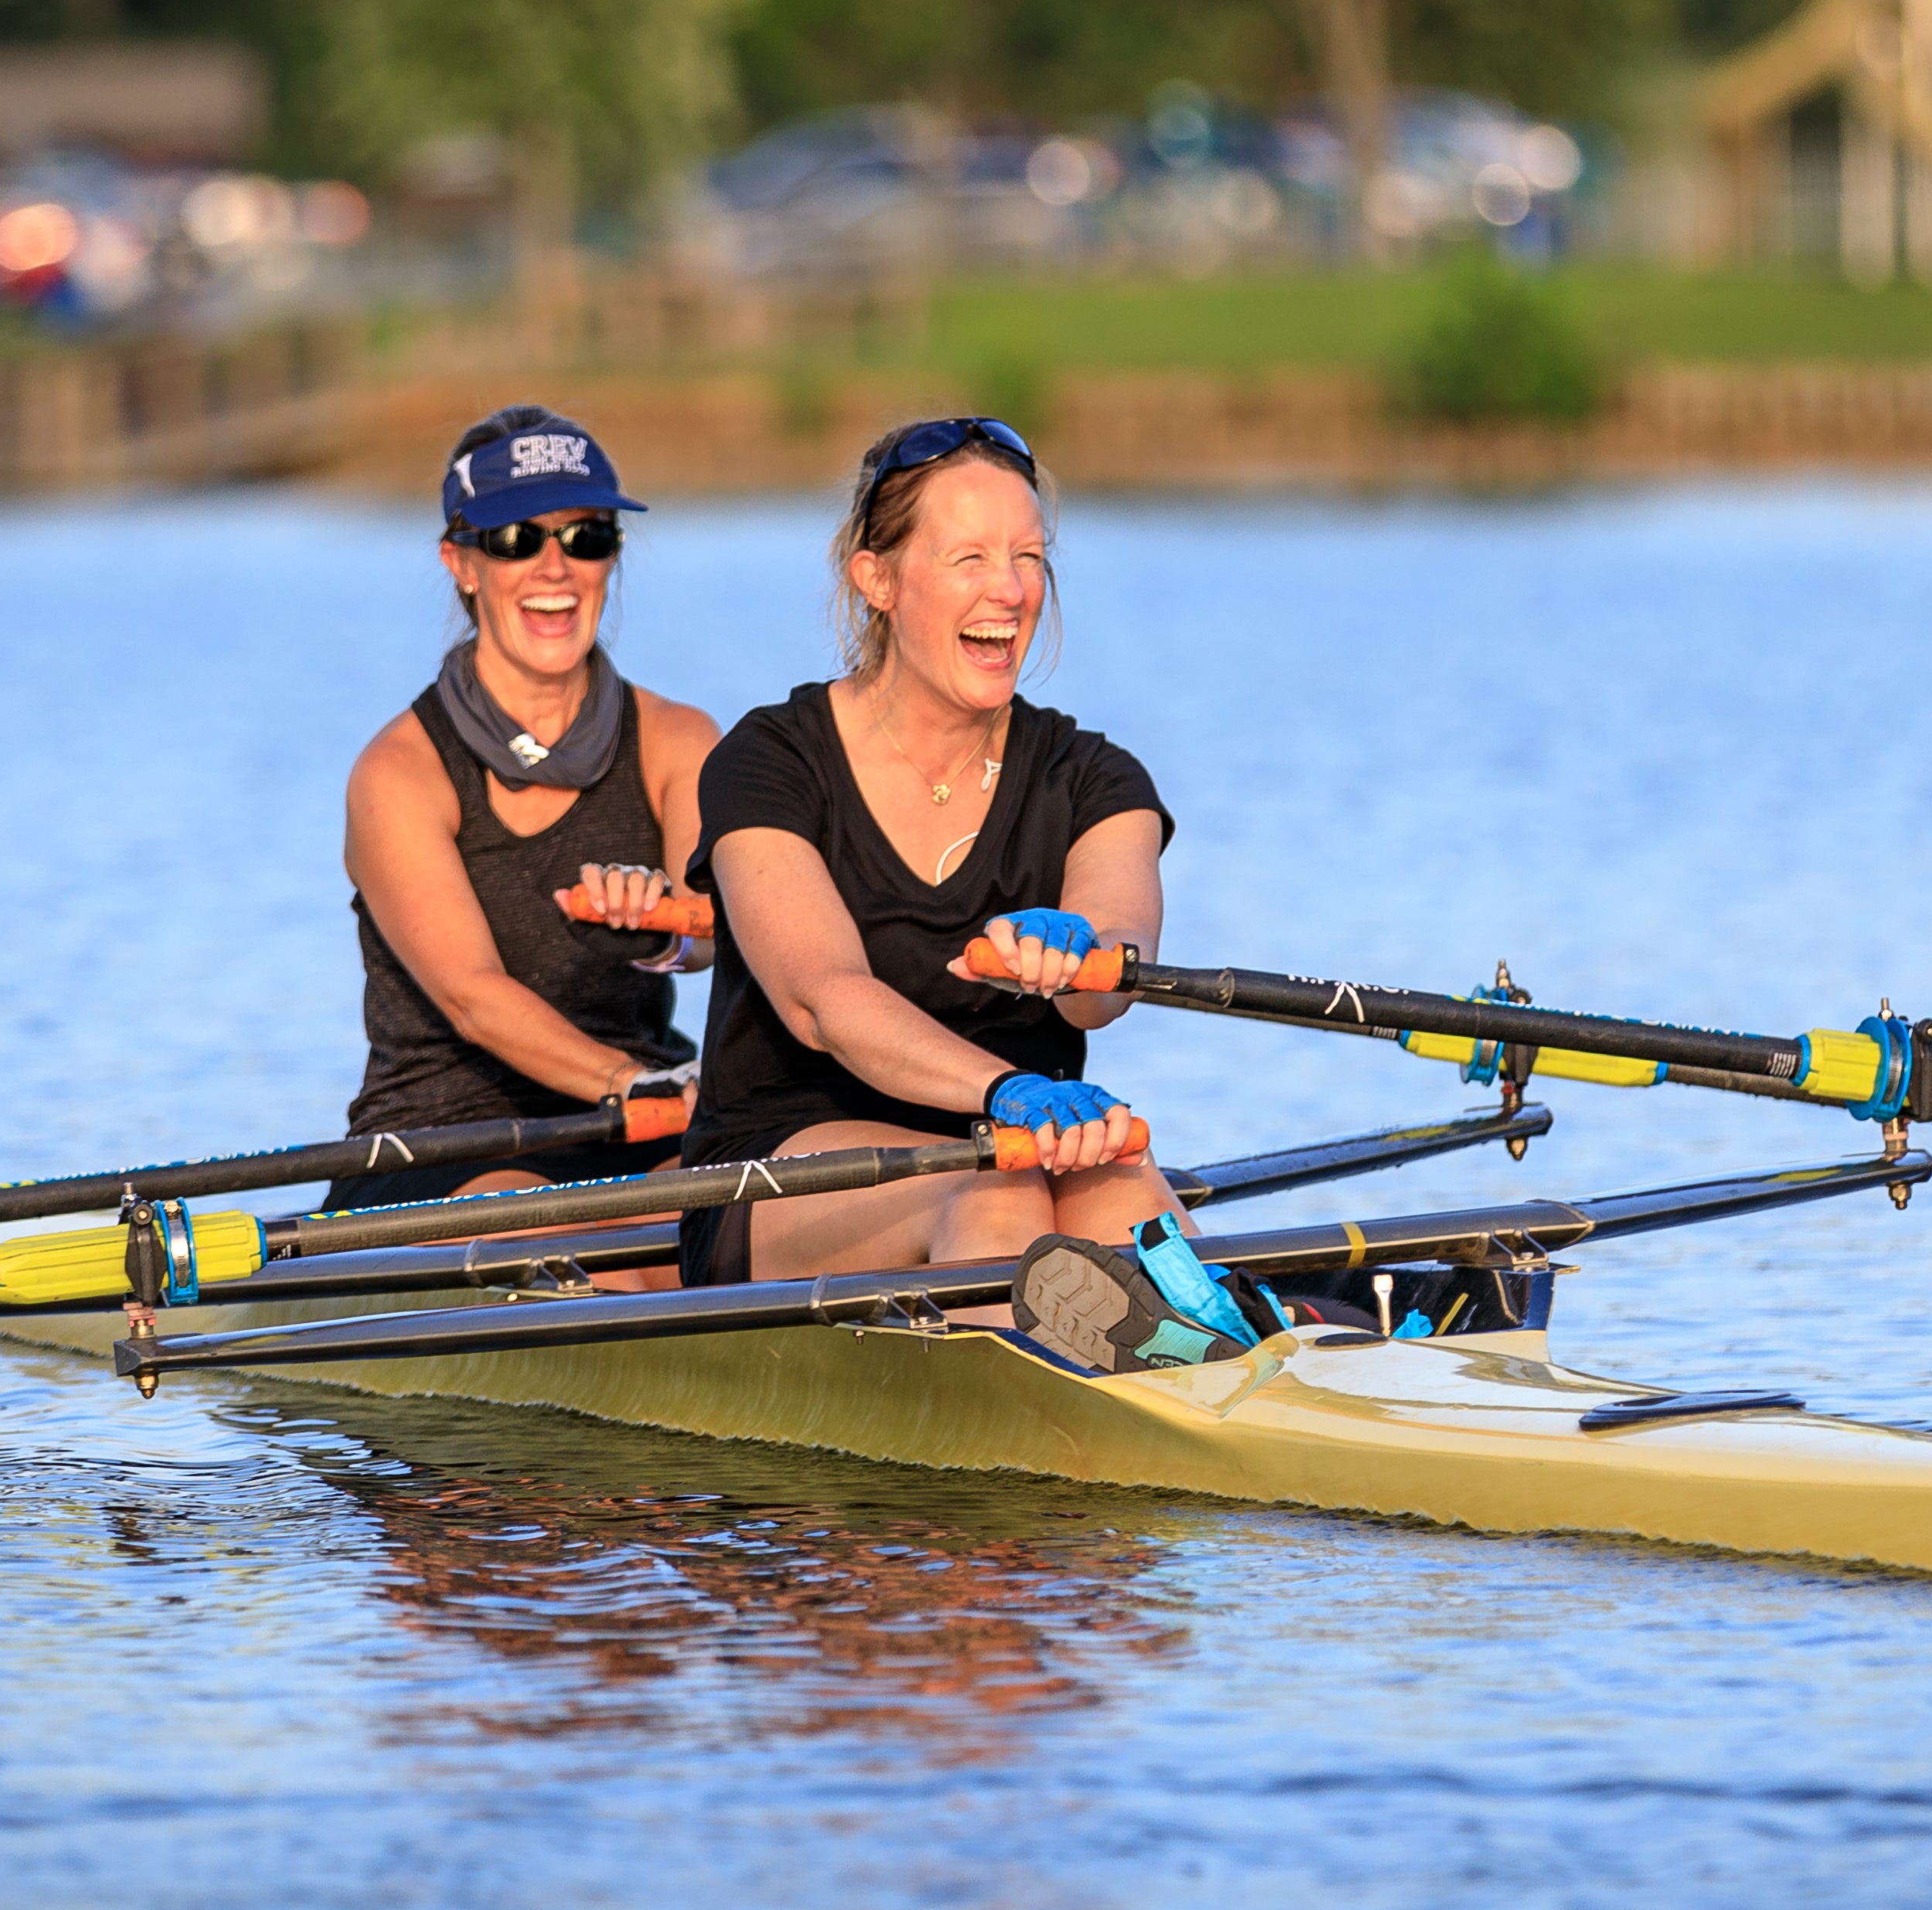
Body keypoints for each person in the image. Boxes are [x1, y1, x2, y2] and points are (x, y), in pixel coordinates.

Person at [673, 418, 1246, 1369]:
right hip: (783, 1179)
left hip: (1025, 1155)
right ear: (879, 580)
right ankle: (1081, 1422)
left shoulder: (1097, 780)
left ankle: (1227, 1366)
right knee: (998, 1191)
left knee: (1115, 1175)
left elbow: (1109, 977)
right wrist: (1004, 1089)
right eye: (970, 556)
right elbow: (823, 1001)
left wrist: (1082, 952)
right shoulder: (769, 762)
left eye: (1028, 557)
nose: (1011, 590)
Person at [320, 406, 720, 1222]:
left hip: (647, 1120)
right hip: (442, 1139)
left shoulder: (682, 741)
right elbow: (472, 995)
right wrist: (630, 1083)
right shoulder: (399, 772)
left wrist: (666, 929)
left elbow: (714, 926)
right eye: (516, 539)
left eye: (587, 536)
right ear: (461, 562)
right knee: (574, 1228)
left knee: (718, 1219)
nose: (555, 567)